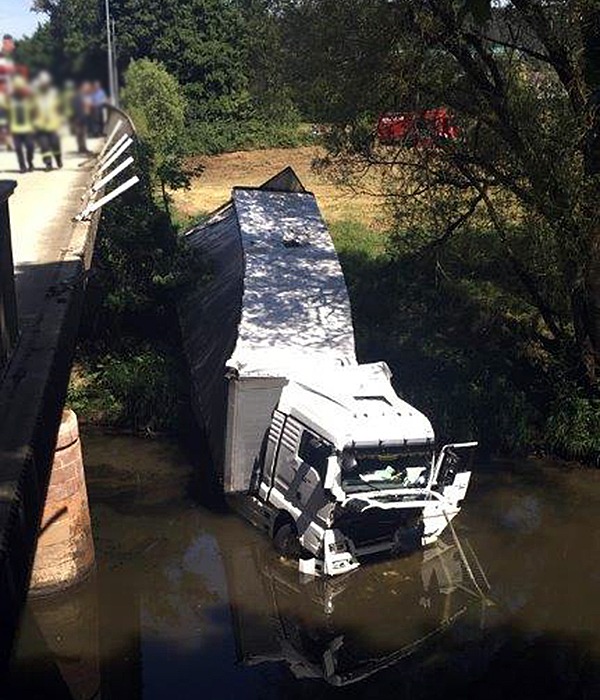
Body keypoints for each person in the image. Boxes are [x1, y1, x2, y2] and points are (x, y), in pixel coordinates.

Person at [33, 70, 63, 170]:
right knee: (44, 147)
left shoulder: (53, 93)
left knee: (55, 145)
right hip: (40, 126)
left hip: (52, 125)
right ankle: (48, 163)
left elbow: (58, 108)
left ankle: (58, 159)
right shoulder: (36, 95)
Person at [8, 75, 36, 172]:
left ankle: (29, 161)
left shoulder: (28, 99)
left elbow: (33, 112)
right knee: (18, 149)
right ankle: (22, 166)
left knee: (30, 147)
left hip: (28, 128)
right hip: (15, 129)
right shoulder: (10, 100)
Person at [72, 81, 93, 154]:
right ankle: (80, 148)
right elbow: (74, 107)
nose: (87, 89)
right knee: (79, 134)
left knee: (83, 133)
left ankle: (83, 147)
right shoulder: (77, 96)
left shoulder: (85, 96)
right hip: (78, 118)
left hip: (84, 118)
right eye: (86, 88)